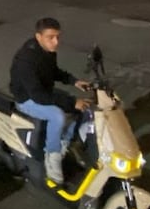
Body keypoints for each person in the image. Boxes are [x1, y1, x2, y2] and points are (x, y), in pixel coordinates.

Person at [9, 18, 91, 184]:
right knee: (57, 116)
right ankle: (51, 157)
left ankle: (63, 142)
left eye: (58, 37)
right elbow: (38, 96)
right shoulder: (27, 59)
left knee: (85, 108)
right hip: (27, 98)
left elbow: (53, 71)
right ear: (38, 37)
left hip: (43, 91)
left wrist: (74, 81)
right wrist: (71, 102)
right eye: (51, 37)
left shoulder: (47, 50)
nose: (56, 42)